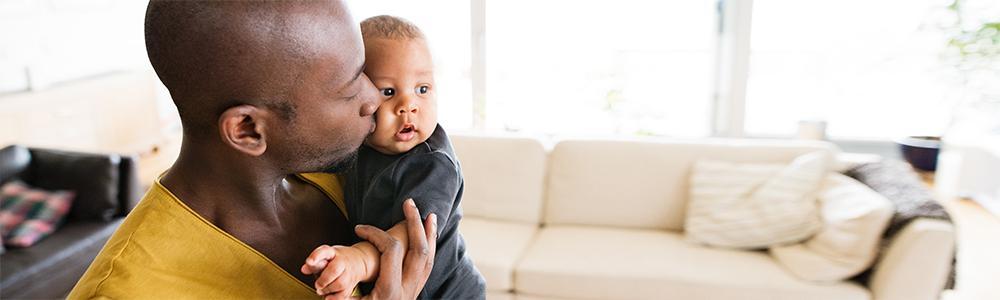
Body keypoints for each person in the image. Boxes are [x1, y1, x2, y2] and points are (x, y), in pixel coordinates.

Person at [68, 1, 435, 299]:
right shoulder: (128, 291)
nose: (374, 99)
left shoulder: (346, 163)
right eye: (349, 88)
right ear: (247, 130)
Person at [301, 15, 486, 299]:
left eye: (422, 89)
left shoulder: (432, 163)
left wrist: (358, 260)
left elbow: (411, 236)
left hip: (450, 293)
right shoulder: (362, 144)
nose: (408, 106)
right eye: (388, 92)